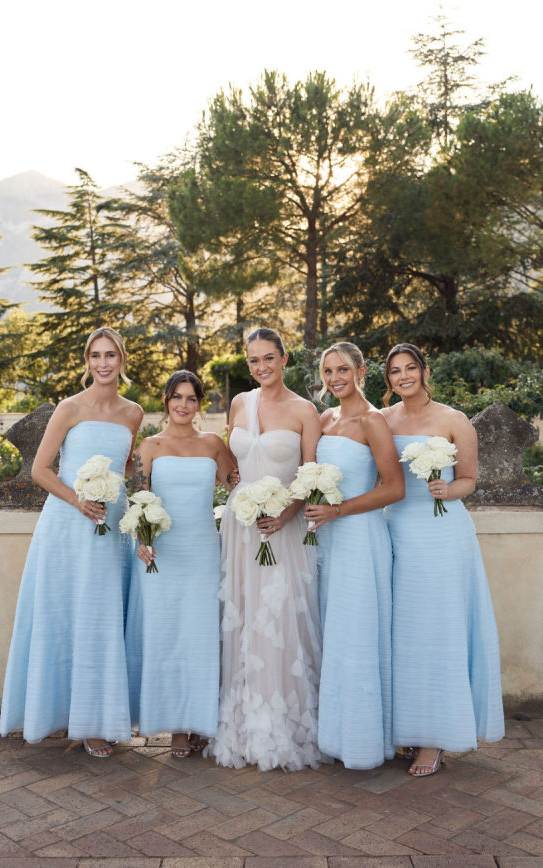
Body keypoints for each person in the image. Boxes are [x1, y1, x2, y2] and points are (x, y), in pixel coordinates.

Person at [0, 327, 142, 757]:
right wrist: (78, 500)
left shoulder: (133, 413)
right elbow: (40, 470)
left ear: (122, 359)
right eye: (95, 355)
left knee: (102, 617)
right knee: (68, 615)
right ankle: (71, 719)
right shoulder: (69, 407)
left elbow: (127, 466)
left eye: (110, 355)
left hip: (110, 527)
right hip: (67, 524)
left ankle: (96, 720)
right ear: (87, 361)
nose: (103, 363)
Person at [381, 342, 504, 776]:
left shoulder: (454, 420)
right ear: (388, 380)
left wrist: (446, 490)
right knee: (402, 632)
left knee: (437, 631)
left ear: (425, 371)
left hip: (442, 535)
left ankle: (434, 740)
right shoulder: (384, 420)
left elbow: (469, 479)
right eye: (395, 371)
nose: (403, 376)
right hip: (396, 531)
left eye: (410, 368)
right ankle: (407, 729)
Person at [206, 327, 324, 771]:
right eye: (254, 360)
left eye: (269, 358)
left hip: (283, 528)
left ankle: (283, 726)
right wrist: (234, 485)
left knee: (278, 616)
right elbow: (232, 461)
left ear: (284, 358)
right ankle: (242, 723)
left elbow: (310, 475)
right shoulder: (240, 403)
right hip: (240, 528)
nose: (261, 367)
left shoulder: (304, 410)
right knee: (241, 615)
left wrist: (287, 513)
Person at [125, 370, 235, 758]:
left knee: (200, 636)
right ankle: (176, 728)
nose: (183, 405)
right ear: (166, 400)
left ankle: (200, 720)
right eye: (177, 397)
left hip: (203, 551)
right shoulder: (150, 446)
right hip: (162, 554)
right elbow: (138, 499)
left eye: (191, 398)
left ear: (199, 403)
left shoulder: (214, 444)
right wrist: (141, 540)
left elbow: (238, 484)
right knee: (167, 634)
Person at [305, 342, 404, 770]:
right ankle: (334, 737)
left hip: (360, 539)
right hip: (327, 541)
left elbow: (394, 488)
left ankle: (362, 742)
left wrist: (339, 510)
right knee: (332, 634)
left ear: (361, 371)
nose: (335, 378)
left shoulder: (373, 420)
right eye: (328, 371)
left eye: (343, 369)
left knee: (357, 634)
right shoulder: (324, 418)